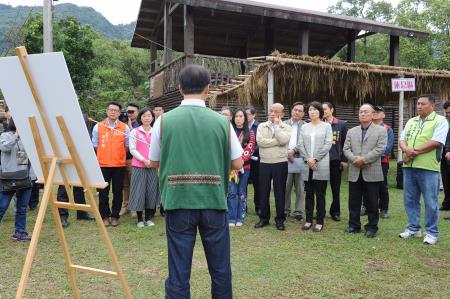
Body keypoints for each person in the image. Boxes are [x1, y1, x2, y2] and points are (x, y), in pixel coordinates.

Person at [149, 64, 243, 298]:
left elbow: (152, 161)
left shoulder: (163, 121)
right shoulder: (222, 122)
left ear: (180, 88)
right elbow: (238, 163)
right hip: (213, 202)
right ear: (208, 89)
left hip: (178, 202)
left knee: (179, 271)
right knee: (220, 268)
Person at [399, 94, 448, 245]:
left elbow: (436, 142)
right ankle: (413, 228)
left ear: (432, 106)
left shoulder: (440, 121)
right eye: (418, 103)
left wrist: (413, 151)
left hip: (428, 167)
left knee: (430, 201)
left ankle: (432, 233)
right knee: (410, 199)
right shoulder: (412, 121)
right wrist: (406, 149)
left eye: (423, 104)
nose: (419, 106)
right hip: (409, 166)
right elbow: (402, 139)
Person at [343, 104, 387, 238]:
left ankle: (372, 227)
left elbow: (380, 149)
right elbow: (346, 149)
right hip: (355, 170)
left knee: (372, 201)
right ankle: (354, 225)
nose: (362, 114)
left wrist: (364, 160)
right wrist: (356, 160)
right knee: (354, 201)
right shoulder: (352, 131)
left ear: (373, 115)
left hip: (372, 170)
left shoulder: (381, 131)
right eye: (361, 111)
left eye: (366, 112)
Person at [92, 101, 130, 227]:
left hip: (119, 165)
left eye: (116, 110)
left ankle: (115, 216)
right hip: (103, 165)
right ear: (107, 111)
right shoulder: (98, 126)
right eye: (111, 109)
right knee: (103, 192)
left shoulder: (125, 128)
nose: (113, 112)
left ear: (119, 113)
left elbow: (127, 146)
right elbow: (95, 145)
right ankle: (104, 216)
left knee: (117, 191)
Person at [255, 103, 292, 231]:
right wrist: (276, 142)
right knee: (263, 191)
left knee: (279, 191)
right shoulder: (261, 126)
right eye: (271, 110)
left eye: (276, 111)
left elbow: (283, 140)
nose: (272, 113)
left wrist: (277, 127)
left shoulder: (286, 127)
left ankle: (280, 219)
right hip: (264, 162)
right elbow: (260, 142)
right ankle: (264, 218)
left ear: (281, 114)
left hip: (280, 163)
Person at [298, 101, 332, 232]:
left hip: (320, 164)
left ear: (320, 112)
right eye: (310, 109)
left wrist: (315, 158)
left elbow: (328, 144)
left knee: (320, 194)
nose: (312, 112)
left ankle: (319, 221)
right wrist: (308, 159)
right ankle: (308, 220)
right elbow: (300, 144)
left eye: (315, 110)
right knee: (309, 194)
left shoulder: (326, 126)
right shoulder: (304, 127)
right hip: (307, 165)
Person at [0, 118, 35, 241]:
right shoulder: (5, 135)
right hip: (9, 178)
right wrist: (16, 136)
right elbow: (5, 148)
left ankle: (19, 232)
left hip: (25, 178)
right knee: (2, 206)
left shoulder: (28, 138)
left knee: (22, 207)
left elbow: (27, 158)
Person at [128, 107, 160, 227]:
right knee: (139, 191)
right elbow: (132, 149)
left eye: (149, 116)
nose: (147, 118)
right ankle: (140, 219)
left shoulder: (155, 132)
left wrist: (152, 161)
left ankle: (149, 217)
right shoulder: (134, 132)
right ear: (140, 118)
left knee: (151, 191)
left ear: (152, 118)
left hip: (152, 166)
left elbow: (159, 149)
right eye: (144, 116)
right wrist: (144, 160)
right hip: (139, 166)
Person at [228, 108, 256, 227]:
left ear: (245, 118)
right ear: (233, 119)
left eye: (241, 116)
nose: (238, 119)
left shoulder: (250, 132)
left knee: (241, 192)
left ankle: (240, 217)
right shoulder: (229, 132)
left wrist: (239, 163)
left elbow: (250, 149)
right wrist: (234, 164)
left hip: (245, 167)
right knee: (232, 192)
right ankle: (231, 218)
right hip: (231, 168)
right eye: (236, 117)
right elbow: (227, 149)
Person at [322, 101, 347, 222]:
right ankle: (320, 210)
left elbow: (345, 144)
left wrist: (344, 160)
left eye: (325, 109)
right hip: (320, 160)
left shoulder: (341, 124)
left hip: (335, 160)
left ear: (332, 110)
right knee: (320, 188)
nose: (323, 112)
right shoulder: (319, 124)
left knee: (335, 188)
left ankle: (335, 211)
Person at [284, 101, 306, 220]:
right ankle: (286, 209)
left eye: (300, 111)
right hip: (285, 158)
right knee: (286, 185)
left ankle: (298, 210)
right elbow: (280, 139)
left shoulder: (306, 126)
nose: (297, 112)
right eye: (295, 110)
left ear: (303, 113)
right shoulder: (284, 124)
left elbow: (304, 142)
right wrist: (287, 151)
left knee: (300, 187)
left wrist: (293, 151)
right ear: (291, 110)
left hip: (300, 158)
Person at [371, 106, 394, 219]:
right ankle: (366, 206)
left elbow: (388, 147)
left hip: (381, 162)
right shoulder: (367, 127)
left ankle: (384, 209)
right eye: (373, 112)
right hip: (368, 162)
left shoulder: (387, 129)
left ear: (383, 115)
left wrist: (373, 157)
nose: (375, 113)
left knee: (382, 186)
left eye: (378, 112)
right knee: (367, 185)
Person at [120, 102, 140, 217]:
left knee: (134, 183)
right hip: (121, 158)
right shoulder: (120, 124)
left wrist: (130, 127)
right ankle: (125, 205)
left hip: (133, 159)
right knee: (124, 184)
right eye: (128, 111)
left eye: (132, 112)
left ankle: (134, 207)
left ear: (137, 112)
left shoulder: (139, 125)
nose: (129, 114)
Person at [246, 106, 261, 215]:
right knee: (243, 183)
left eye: (248, 114)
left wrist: (250, 151)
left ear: (254, 115)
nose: (246, 116)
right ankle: (243, 206)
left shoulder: (259, 126)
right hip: (244, 160)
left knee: (257, 184)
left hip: (256, 159)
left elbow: (260, 142)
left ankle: (258, 207)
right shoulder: (242, 126)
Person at [440, 100, 450, 211]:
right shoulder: (445, 121)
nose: (448, 115)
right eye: (447, 113)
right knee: (446, 179)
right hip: (445, 154)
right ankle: (447, 203)